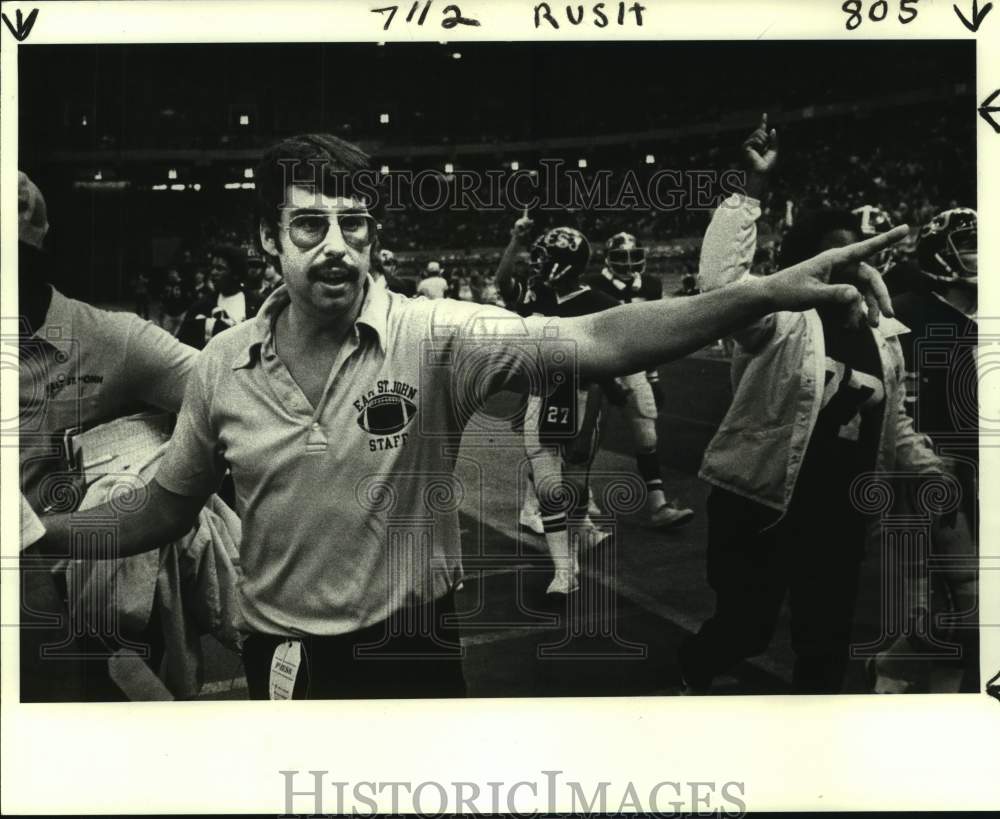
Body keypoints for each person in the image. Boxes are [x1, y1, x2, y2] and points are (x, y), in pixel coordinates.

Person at [30, 133, 908, 699]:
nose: (336, 244)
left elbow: (597, 338)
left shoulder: (435, 334)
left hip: (420, 651)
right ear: (269, 238)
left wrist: (765, 289)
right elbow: (163, 509)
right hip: (288, 660)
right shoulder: (223, 363)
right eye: (308, 226)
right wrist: (46, 535)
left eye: (355, 224)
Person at [679, 116, 962, 694]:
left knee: (825, 643)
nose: (855, 265)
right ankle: (692, 673)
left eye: (862, 256)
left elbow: (893, 420)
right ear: (807, 263)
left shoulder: (883, 334)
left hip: (838, 514)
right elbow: (719, 290)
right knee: (745, 629)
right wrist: (750, 190)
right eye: (839, 255)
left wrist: (929, 469)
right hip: (758, 503)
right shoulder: (781, 319)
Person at [17, 171, 198, 701]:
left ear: (36, 251)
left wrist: (166, 472)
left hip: (76, 595)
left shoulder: (106, 339)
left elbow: (226, 394)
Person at [869, 207, 979, 693]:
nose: (983, 252)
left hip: (977, 469)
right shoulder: (909, 312)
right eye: (970, 242)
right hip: (936, 473)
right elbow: (898, 408)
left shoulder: (980, 309)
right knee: (956, 604)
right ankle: (891, 672)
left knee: (968, 611)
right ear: (940, 254)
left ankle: (937, 688)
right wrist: (925, 473)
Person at [585, 232, 695, 528]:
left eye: (634, 256)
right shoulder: (592, 285)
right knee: (589, 438)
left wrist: (654, 376)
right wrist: (608, 381)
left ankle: (658, 506)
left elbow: (652, 335)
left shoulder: (651, 285)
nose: (630, 264)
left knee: (647, 436)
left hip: (634, 365)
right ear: (608, 259)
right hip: (597, 365)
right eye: (622, 258)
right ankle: (581, 497)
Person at [177, 244, 263, 349]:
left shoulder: (257, 303)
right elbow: (184, 343)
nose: (213, 272)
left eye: (220, 268)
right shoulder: (201, 306)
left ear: (236, 273)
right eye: (212, 268)